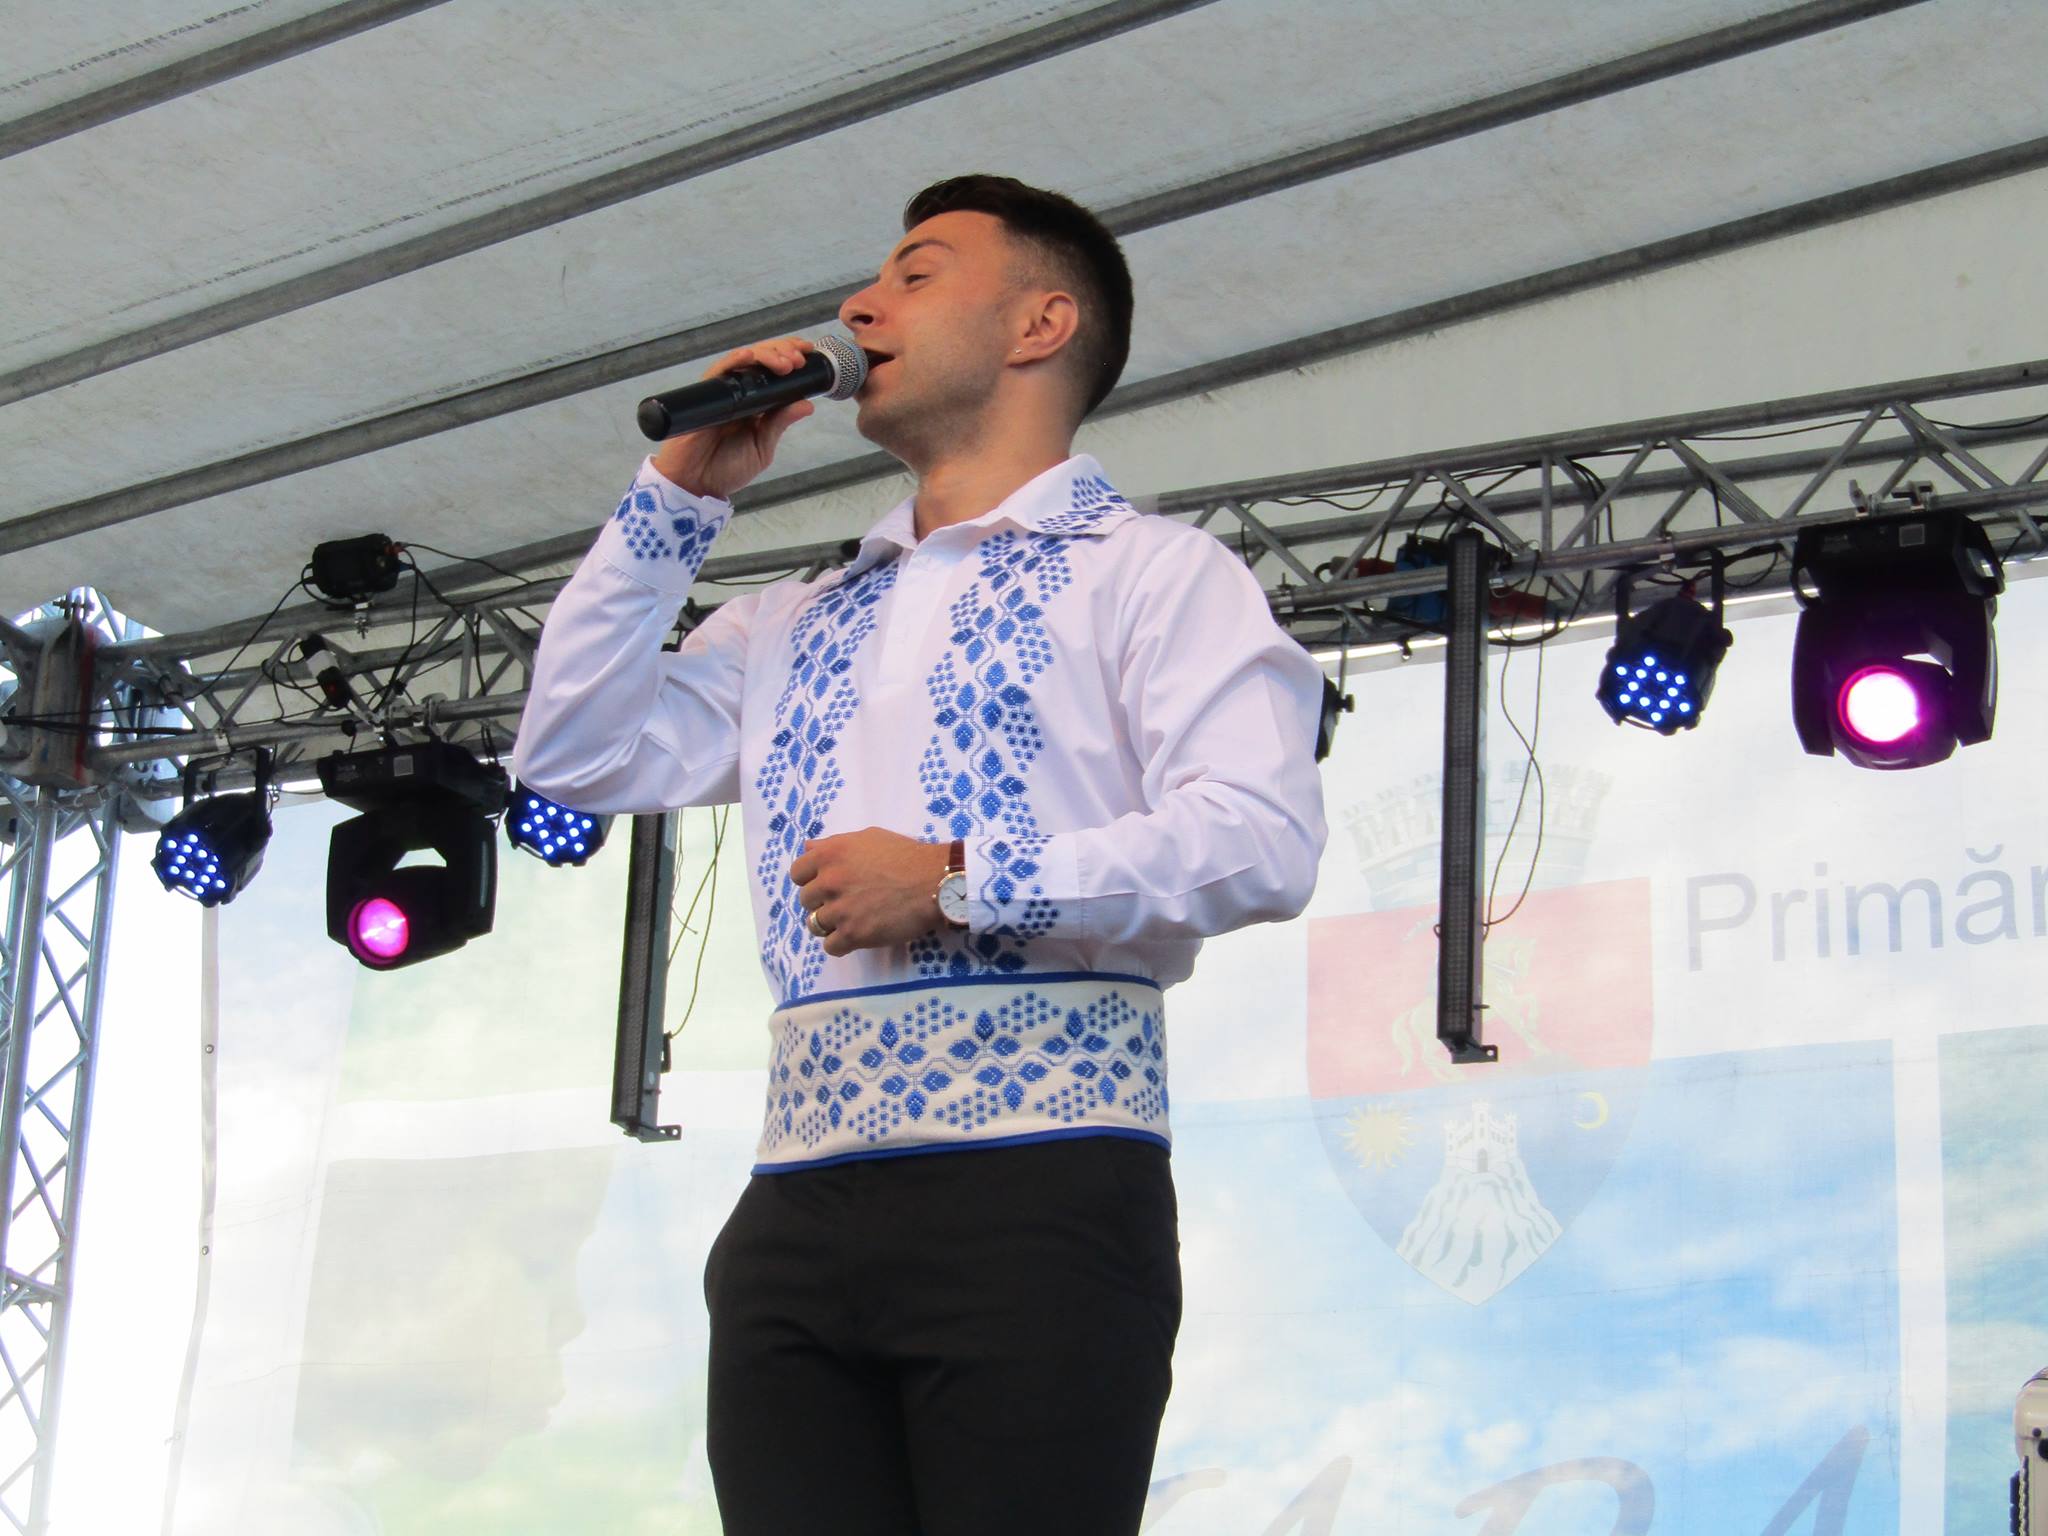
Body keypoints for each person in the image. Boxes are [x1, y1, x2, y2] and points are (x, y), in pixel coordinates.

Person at [514, 174, 1328, 1535]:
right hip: (795, 1197)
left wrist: (958, 878)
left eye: (917, 273)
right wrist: (673, 503)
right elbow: (573, 754)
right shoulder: (795, 614)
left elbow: (1264, 837)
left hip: (1042, 1187)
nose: (859, 305)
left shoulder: (1153, 571)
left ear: (1039, 324)